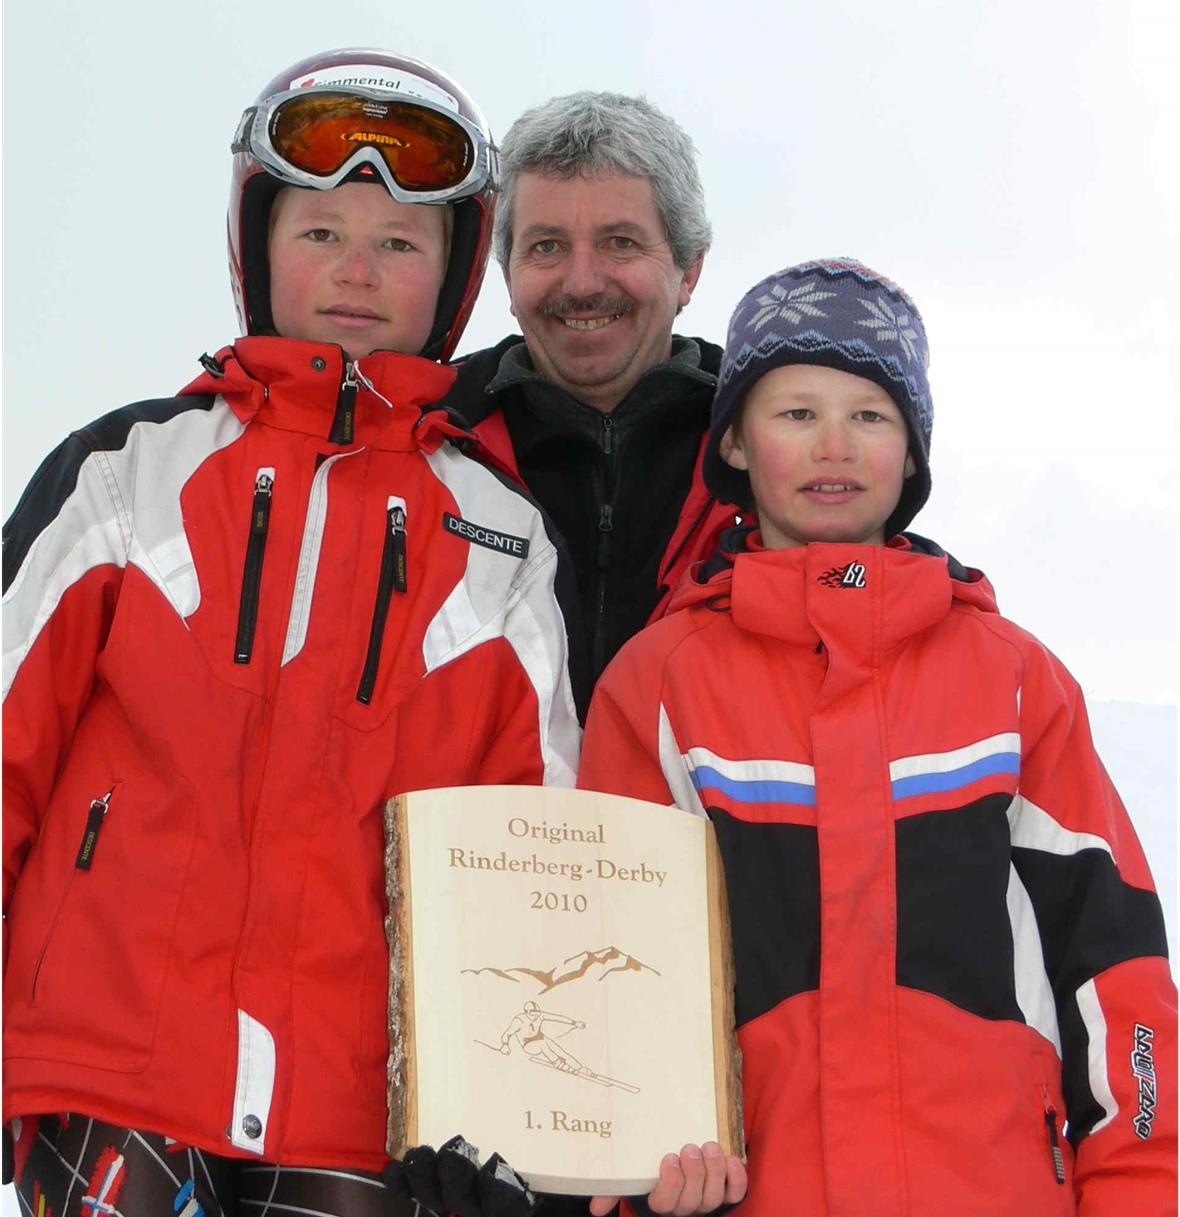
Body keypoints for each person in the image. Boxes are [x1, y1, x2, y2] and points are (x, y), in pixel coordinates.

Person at [2, 47, 579, 1217]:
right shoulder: (132, 470)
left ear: (452, 276)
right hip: (112, 1057)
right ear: (257, 247)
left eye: (400, 243)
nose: (355, 271)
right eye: (319, 233)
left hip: (358, 1108)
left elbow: (542, 849)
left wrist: (520, 1132)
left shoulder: (504, 534)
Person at [579, 258, 1177, 1214]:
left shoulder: (1015, 680)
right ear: (733, 441)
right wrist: (635, 1151)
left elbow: (1118, 971)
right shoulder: (660, 684)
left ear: (912, 452)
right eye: (796, 412)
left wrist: (1142, 1186)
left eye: (870, 415)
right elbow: (603, 973)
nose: (835, 446)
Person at [440, 92, 740, 711]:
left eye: (620, 243)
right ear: (508, 276)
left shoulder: (773, 445)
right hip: (483, 808)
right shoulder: (428, 438)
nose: (581, 283)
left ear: (689, 270)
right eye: (546, 246)